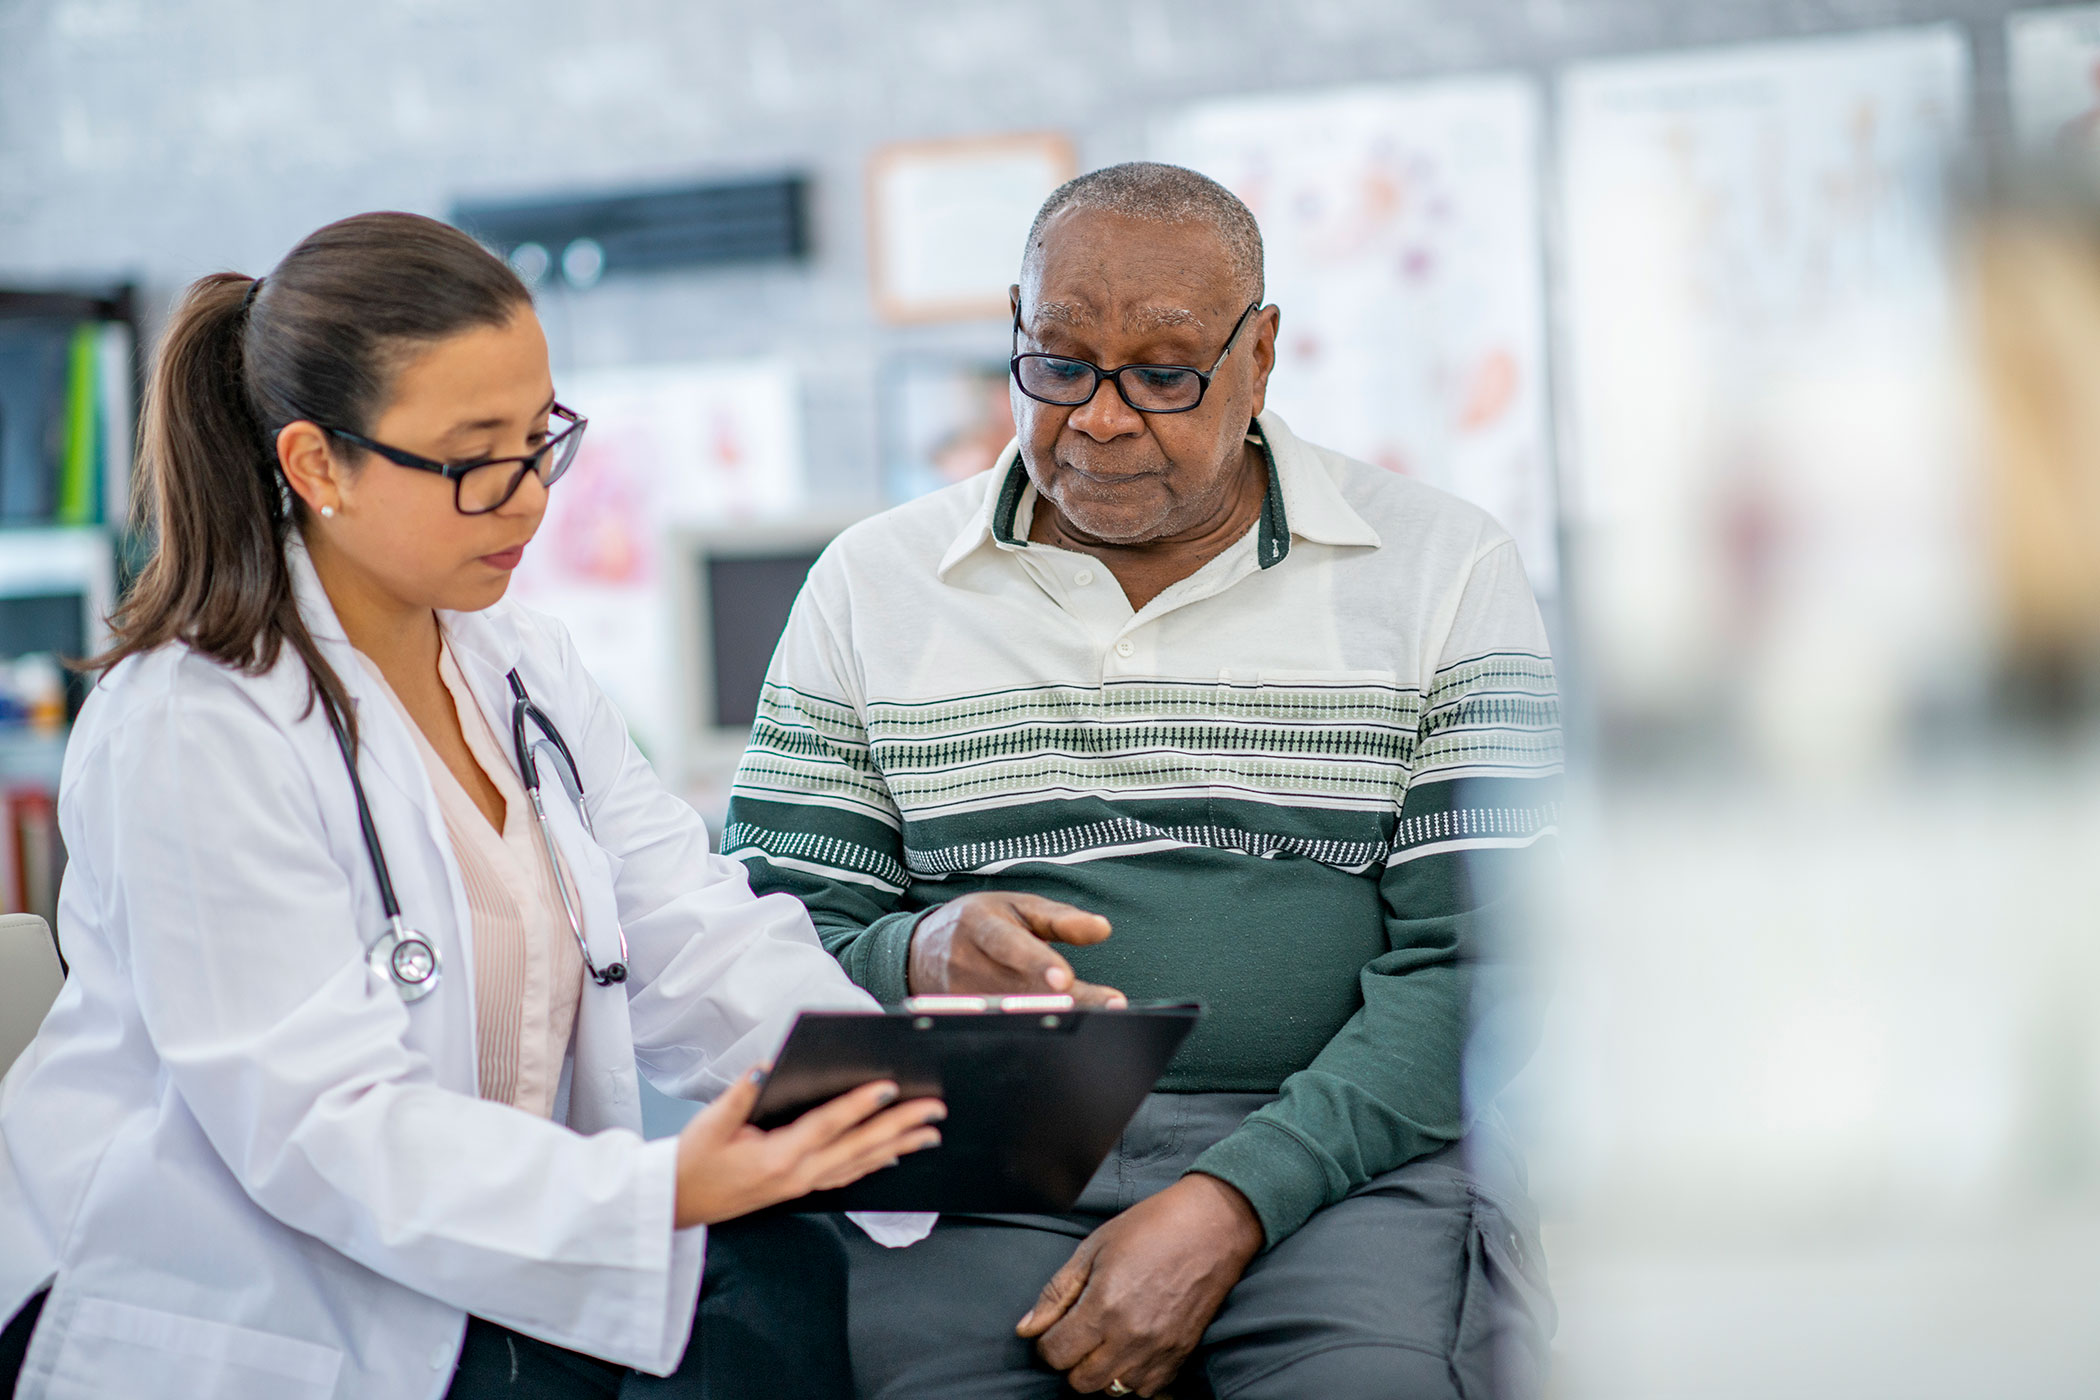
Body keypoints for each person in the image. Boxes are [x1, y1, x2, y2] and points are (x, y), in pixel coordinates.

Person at [0, 212, 944, 1400]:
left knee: (788, 1277)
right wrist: (654, 1193)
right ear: (317, 464)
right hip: (227, 1300)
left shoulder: (524, 666)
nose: (526, 496)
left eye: (541, 437)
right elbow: (317, 1123)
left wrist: (905, 1088)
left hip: (467, 1266)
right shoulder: (196, 722)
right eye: (471, 456)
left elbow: (696, 929)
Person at [724, 163, 1560, 1399]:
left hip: (1343, 1153)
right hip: (980, 1161)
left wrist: (1232, 1198)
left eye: (1164, 374)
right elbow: (757, 938)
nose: (1101, 418)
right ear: (1014, 333)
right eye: (1057, 364)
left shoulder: (1440, 568)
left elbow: (1486, 963)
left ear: (1261, 353)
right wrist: (921, 945)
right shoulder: (874, 582)